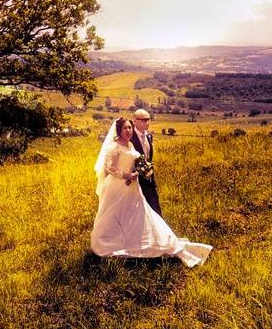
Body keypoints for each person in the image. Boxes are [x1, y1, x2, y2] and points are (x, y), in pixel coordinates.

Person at [90, 117, 212, 267]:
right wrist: (125, 175)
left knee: (139, 214)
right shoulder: (114, 147)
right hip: (116, 187)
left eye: (129, 128)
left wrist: (139, 170)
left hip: (132, 186)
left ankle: (149, 241)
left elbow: (133, 163)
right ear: (119, 130)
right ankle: (112, 243)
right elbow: (108, 167)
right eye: (124, 128)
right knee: (114, 215)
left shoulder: (130, 144)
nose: (128, 131)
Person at [130, 108, 161, 216]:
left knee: (155, 209)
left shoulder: (149, 136)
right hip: (135, 181)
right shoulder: (130, 137)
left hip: (150, 180)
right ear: (134, 121)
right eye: (143, 120)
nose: (147, 122)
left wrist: (150, 174)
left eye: (148, 120)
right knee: (138, 213)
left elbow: (149, 158)